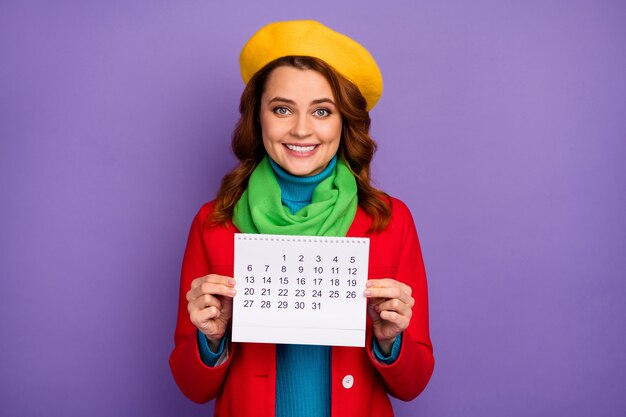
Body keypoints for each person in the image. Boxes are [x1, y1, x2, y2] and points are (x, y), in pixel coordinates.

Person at [169, 20, 434, 417]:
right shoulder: (213, 222)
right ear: (257, 117)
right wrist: (211, 339)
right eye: (282, 109)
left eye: (322, 111)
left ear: (345, 122)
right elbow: (192, 388)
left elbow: (413, 385)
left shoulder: (391, 220)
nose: (301, 129)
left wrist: (388, 341)